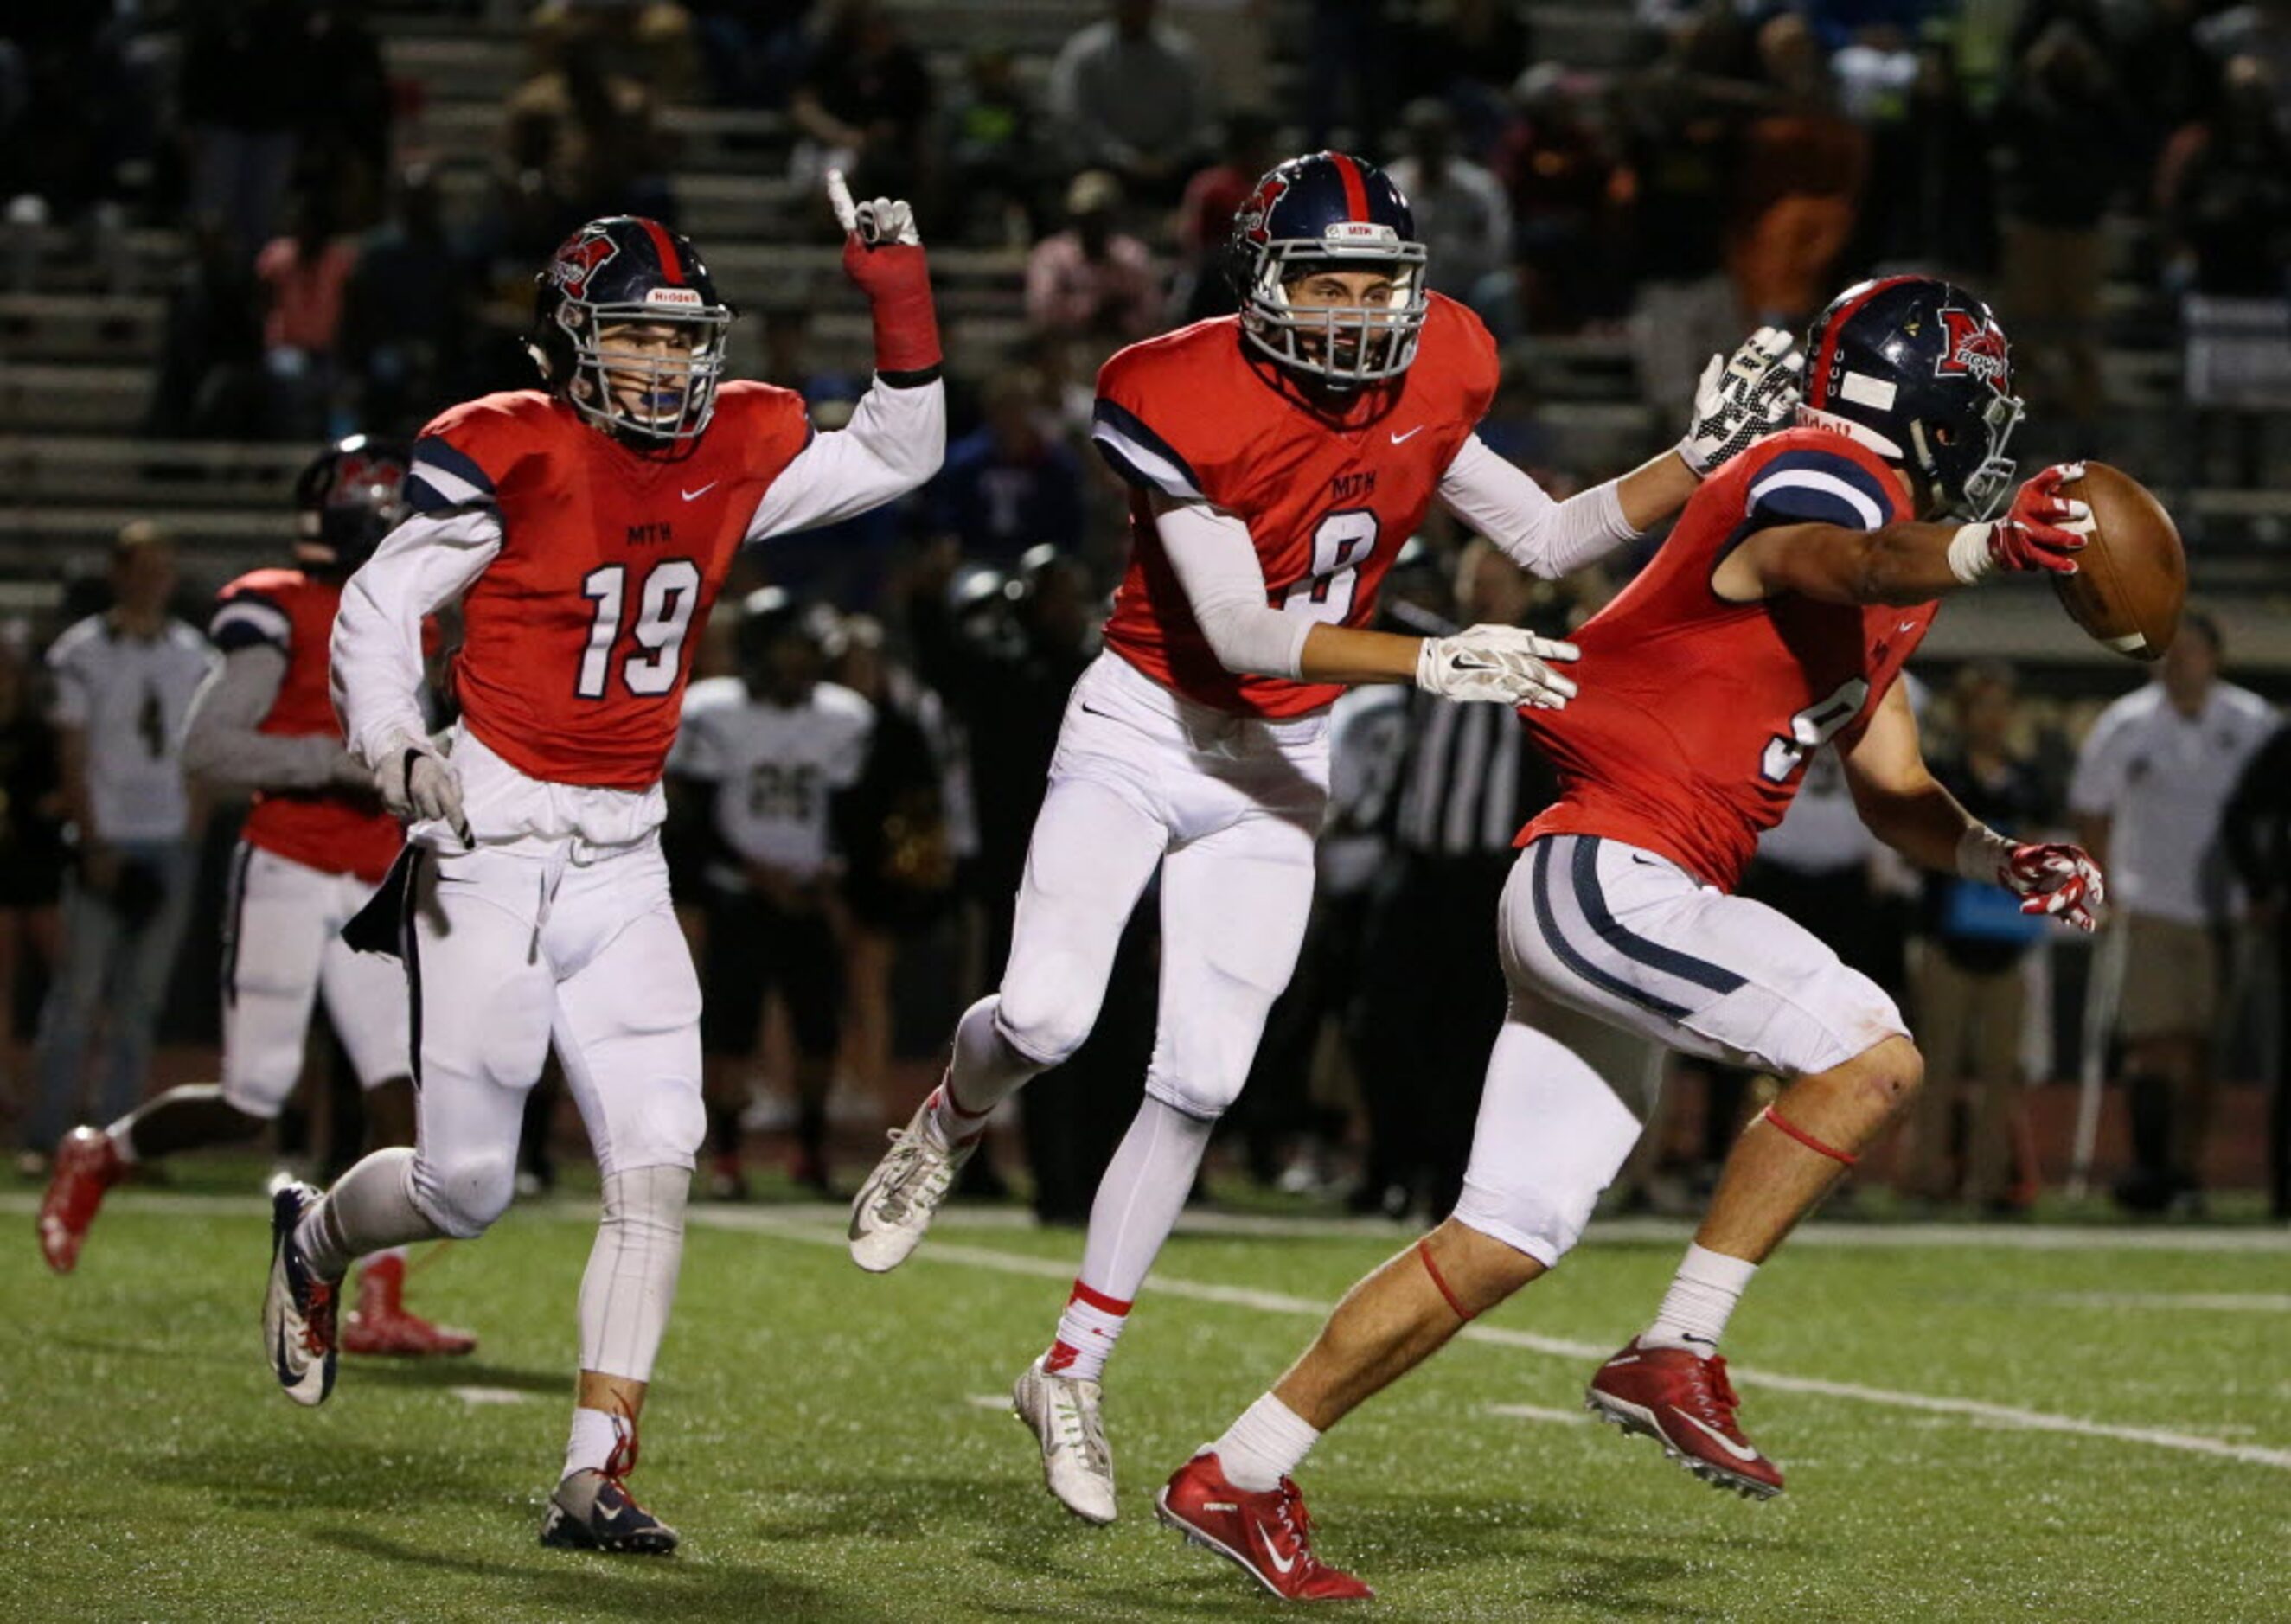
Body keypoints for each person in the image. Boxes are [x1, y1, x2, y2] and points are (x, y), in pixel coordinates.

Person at [845, 150, 1803, 1527]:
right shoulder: (1170, 386)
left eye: (1376, 283)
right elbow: (1234, 631)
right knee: (1050, 1017)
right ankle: (951, 1114)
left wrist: (1694, 462)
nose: (1354, 311)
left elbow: (1542, 536)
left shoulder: (1441, 364)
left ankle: (1070, 1367)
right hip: (1143, 722)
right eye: (1325, 281)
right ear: (1262, 282)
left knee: (1202, 1076)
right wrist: (1428, 661)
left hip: (1279, 758)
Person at [1157, 276, 2107, 1598]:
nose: (1988, 425)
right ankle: (1677, 1346)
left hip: (1619, 883)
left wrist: (2000, 851)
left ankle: (1237, 1471)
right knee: (1871, 1054)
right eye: (1979, 395)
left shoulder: (1900, 567)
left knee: (1506, 1231)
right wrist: (1989, 547)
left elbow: (1890, 789)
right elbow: (1808, 557)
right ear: (1926, 395)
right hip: (1618, 866)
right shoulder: (1820, 465)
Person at [259, 180, 944, 1555]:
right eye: (635, 336)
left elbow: (902, 451)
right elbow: (387, 602)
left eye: (687, 337)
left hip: (628, 847)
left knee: (659, 1157)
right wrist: (394, 737)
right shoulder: (513, 448)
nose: (667, 363)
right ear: (568, 342)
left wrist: (898, 291)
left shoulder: (733, 441)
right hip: (492, 837)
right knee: (469, 1188)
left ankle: (595, 1472)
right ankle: (316, 1235)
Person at [35, 440, 475, 1352]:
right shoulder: (273, 606)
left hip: (370, 880)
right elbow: (207, 748)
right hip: (287, 864)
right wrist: (329, 760)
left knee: (399, 1092)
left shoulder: (413, 618)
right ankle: (101, 1153)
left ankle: (376, 1303)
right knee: (252, 1098)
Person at [668, 589, 872, 1200]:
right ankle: (727, 1156)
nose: (803, 663)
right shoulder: (712, 710)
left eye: (809, 651)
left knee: (818, 1030)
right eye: (790, 649)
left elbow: (847, 810)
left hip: (807, 892)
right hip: (739, 892)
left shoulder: (843, 716)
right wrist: (755, 872)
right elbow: (692, 814)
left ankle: (810, 1151)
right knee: (731, 1030)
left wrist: (830, 869)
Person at [22, 525, 216, 1163]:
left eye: (166, 567)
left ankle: (118, 1146)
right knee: (77, 997)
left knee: (141, 1003)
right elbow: (71, 753)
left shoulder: (193, 654)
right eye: (146, 566)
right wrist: (96, 840)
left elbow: (203, 751)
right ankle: (49, 1136)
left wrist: (190, 828)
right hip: (106, 837)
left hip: (168, 837)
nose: (156, 579)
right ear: (119, 572)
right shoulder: (83, 652)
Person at [2068, 612, 2274, 1212]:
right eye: (2170, 651)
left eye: (2190, 651)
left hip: (2225, 909)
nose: (2179, 662)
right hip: (2149, 902)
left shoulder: (2251, 722)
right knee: (2153, 1045)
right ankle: (2149, 1170)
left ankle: (2188, 1170)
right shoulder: (2126, 724)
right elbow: (2090, 807)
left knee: (2204, 1048)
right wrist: (2102, 886)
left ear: (2214, 658)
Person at [1903, 662, 2051, 1212]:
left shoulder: (2028, 780)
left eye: (2000, 707)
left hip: (2008, 943)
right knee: (1936, 1065)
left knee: (1999, 1070)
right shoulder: (1942, 776)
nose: (1992, 719)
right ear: (1964, 714)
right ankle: (1926, 1176)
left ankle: (1988, 1181)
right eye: (1982, 706)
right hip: (1947, 938)